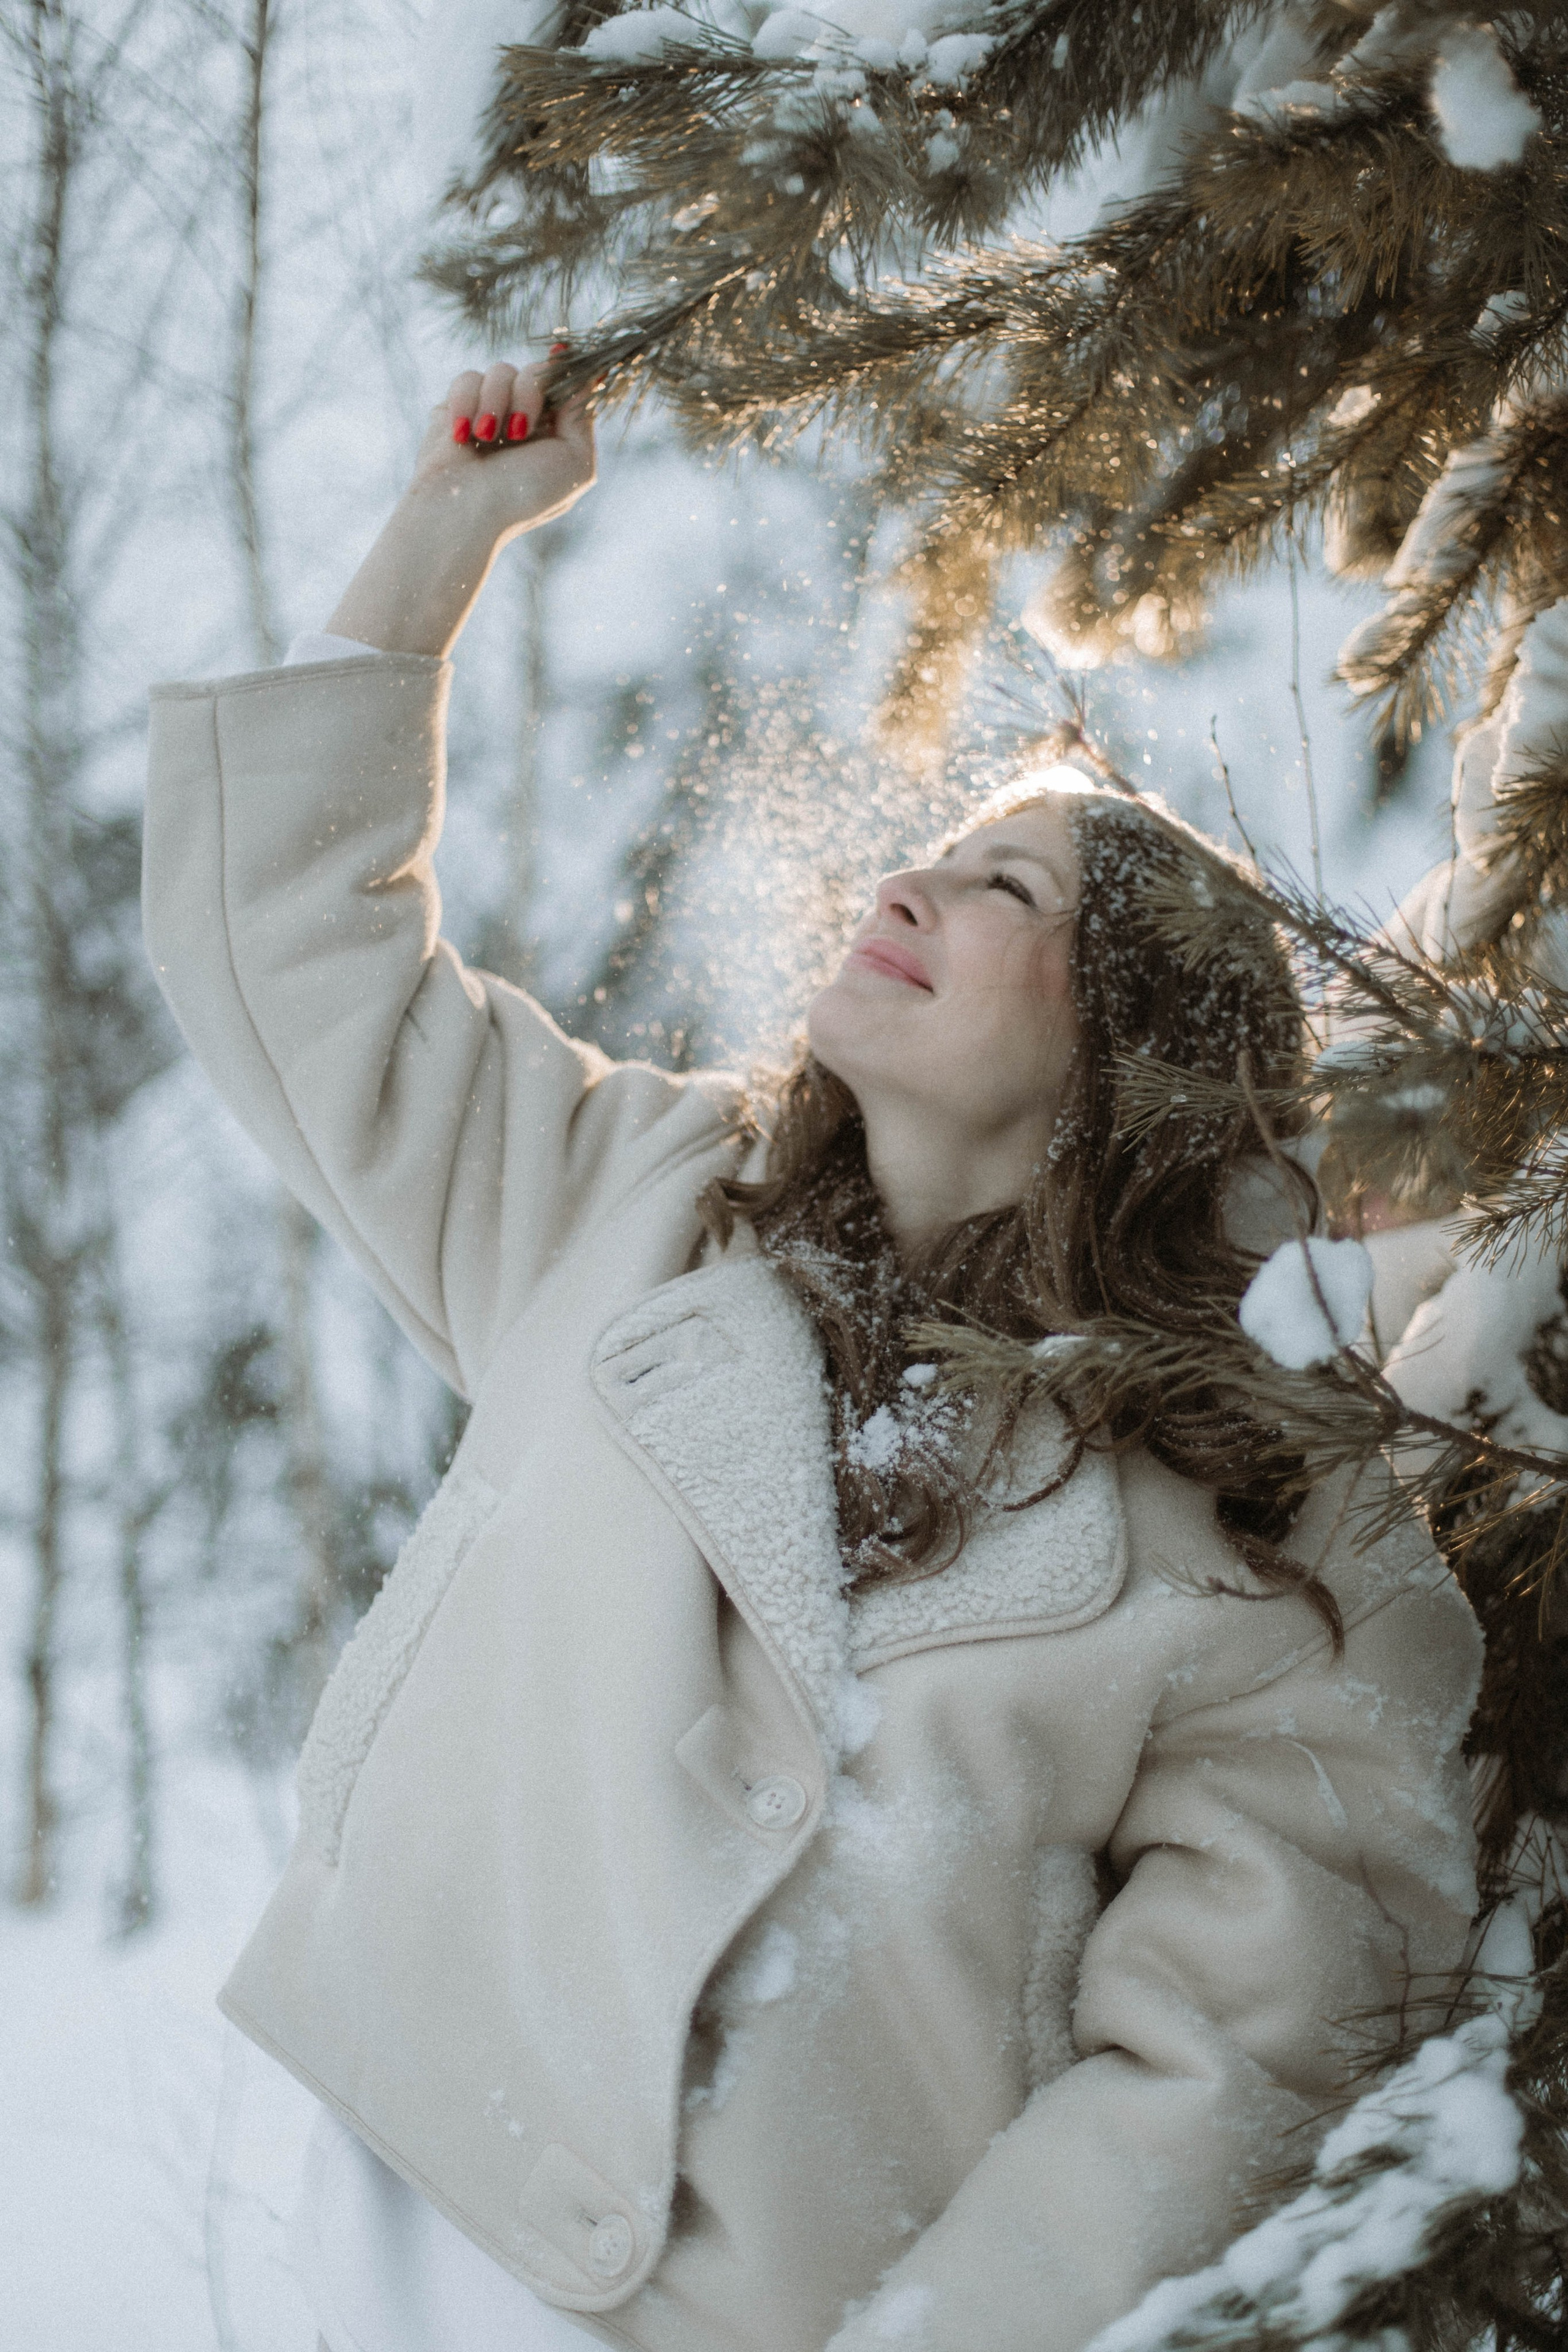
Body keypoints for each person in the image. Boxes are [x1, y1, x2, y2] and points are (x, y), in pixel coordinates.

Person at [143, 360, 1484, 2352]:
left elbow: (1236, 2074)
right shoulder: (631, 1207)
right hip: (388, 2237)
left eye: (1008, 885)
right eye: (933, 849)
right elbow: (292, 959)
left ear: (1134, 1054)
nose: (907, 882)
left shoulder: (1276, 1532)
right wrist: (443, 540)